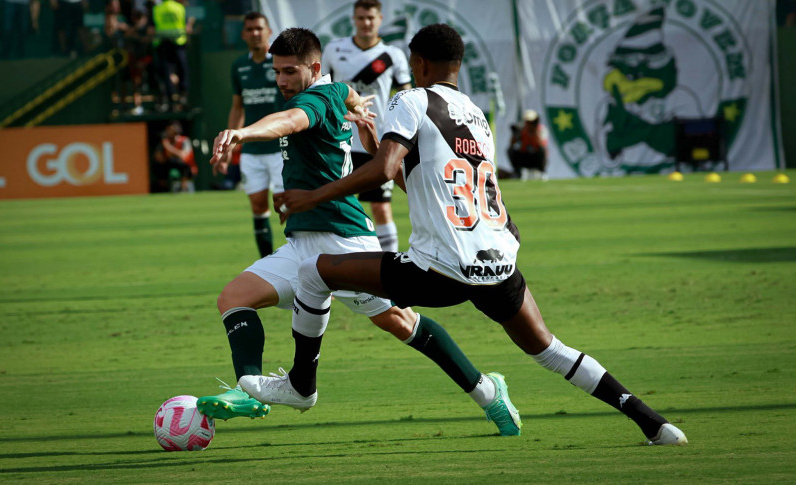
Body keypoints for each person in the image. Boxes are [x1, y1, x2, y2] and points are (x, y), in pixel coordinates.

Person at [249, 24, 688, 446]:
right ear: (457, 65)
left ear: (417, 63)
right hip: (498, 259)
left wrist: (311, 197)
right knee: (549, 349)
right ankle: (654, 423)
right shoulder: (477, 116)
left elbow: (383, 172)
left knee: (313, 272)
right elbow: (415, 180)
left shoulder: (411, 99)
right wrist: (375, 145)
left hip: (439, 267)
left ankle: (301, 385)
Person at [197, 27, 522, 437]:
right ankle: (248, 388)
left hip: (344, 241)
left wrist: (242, 132)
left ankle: (489, 392)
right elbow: (345, 92)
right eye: (276, 72)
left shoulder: (316, 98)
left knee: (399, 322)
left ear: (314, 68)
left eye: (288, 72)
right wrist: (357, 104)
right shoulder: (334, 92)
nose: (280, 80)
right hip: (301, 245)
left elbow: (288, 121)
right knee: (233, 298)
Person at [320, 0, 409, 252]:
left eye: (371, 18)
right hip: (340, 142)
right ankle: (335, 270)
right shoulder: (334, 50)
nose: (366, 23)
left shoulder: (393, 55)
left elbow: (407, 96)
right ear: (353, 19)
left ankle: (390, 271)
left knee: (381, 208)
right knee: (335, 206)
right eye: (361, 18)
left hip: (376, 142)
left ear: (380, 19)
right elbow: (322, 91)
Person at [218, 12, 285, 259]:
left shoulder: (279, 63)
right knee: (258, 207)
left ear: (269, 32)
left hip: (280, 148)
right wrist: (229, 148)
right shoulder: (239, 66)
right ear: (244, 34)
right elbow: (238, 107)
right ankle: (268, 265)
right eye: (250, 29)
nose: (255, 33)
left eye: (259, 28)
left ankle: (300, 263)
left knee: (285, 206)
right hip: (251, 151)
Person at [151, 0, 192, 110]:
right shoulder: (179, 7)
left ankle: (172, 97)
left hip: (167, 43)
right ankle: (180, 95)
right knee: (178, 69)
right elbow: (186, 26)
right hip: (175, 43)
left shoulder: (157, 9)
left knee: (167, 70)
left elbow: (153, 28)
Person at [153, 120, 195, 192]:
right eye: (168, 130)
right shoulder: (165, 141)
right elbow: (158, 156)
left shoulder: (184, 140)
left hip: (184, 164)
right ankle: (162, 188)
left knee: (185, 166)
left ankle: (183, 187)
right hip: (169, 163)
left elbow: (183, 155)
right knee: (158, 165)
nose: (169, 132)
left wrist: (168, 147)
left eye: (171, 130)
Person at [507, 109, 548, 181]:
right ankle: (518, 173)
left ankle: (542, 172)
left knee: (543, 150)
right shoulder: (522, 129)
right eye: (528, 122)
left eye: (531, 122)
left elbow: (541, 145)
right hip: (525, 156)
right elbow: (512, 144)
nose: (529, 124)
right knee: (510, 150)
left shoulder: (541, 130)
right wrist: (516, 134)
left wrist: (534, 133)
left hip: (536, 157)